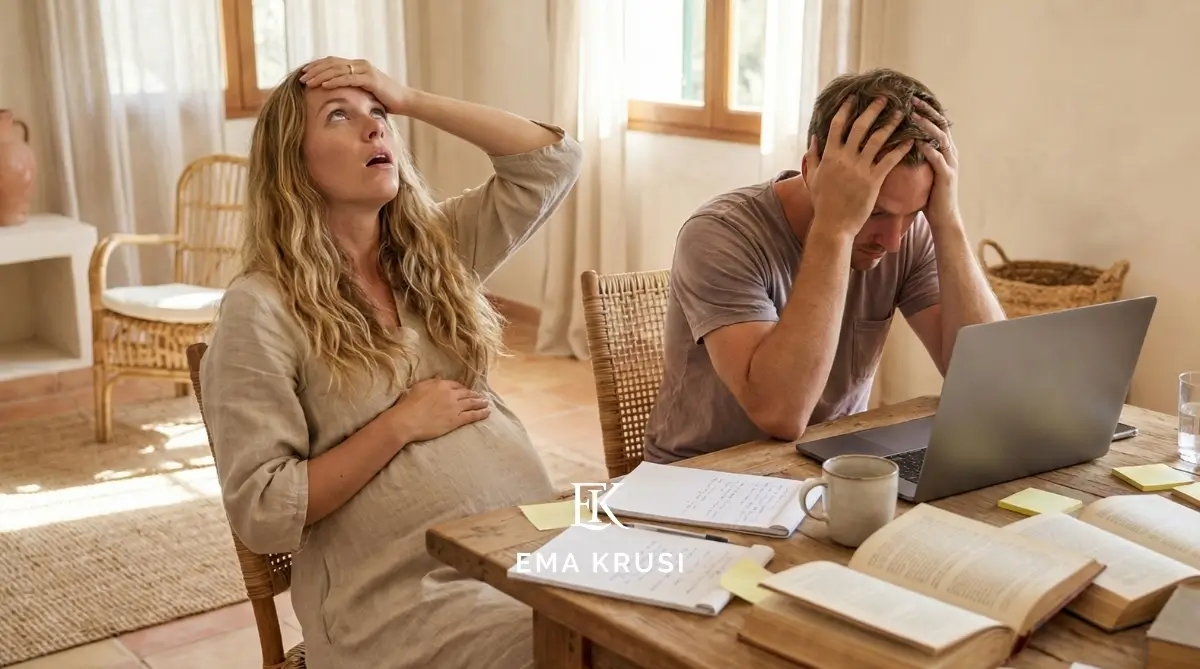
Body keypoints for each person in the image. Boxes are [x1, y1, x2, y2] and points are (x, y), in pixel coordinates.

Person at [198, 56, 582, 669]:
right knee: (582, 651)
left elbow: (552, 163)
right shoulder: (260, 308)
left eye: (379, 114)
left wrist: (408, 96)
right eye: (339, 117)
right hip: (404, 601)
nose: (374, 128)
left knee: (679, 621)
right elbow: (264, 513)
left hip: (534, 549)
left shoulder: (434, 250)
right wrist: (399, 424)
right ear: (292, 162)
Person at [643, 68, 1006, 464]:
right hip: (703, 473)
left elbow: (987, 383)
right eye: (877, 212)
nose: (894, 240)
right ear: (813, 171)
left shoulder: (908, 232)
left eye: (915, 212)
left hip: (830, 465)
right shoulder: (720, 234)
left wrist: (947, 222)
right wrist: (834, 230)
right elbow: (781, 414)